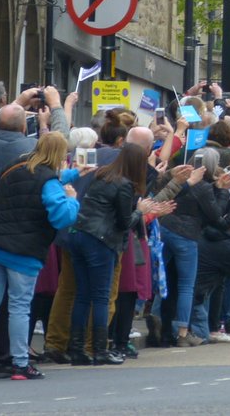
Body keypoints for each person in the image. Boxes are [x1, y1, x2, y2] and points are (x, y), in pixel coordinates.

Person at [0, 131, 80, 381]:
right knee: (19, 306)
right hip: (24, 250)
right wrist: (72, 199)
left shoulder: (15, 166)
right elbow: (62, 217)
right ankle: (20, 363)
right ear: (60, 155)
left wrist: (75, 174)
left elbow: (36, 181)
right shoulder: (50, 182)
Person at [66, 143, 150, 365]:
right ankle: (100, 349)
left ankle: (77, 349)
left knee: (82, 295)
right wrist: (140, 211)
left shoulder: (103, 175)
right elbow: (124, 223)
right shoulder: (125, 185)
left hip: (79, 233)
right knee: (101, 297)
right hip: (100, 240)